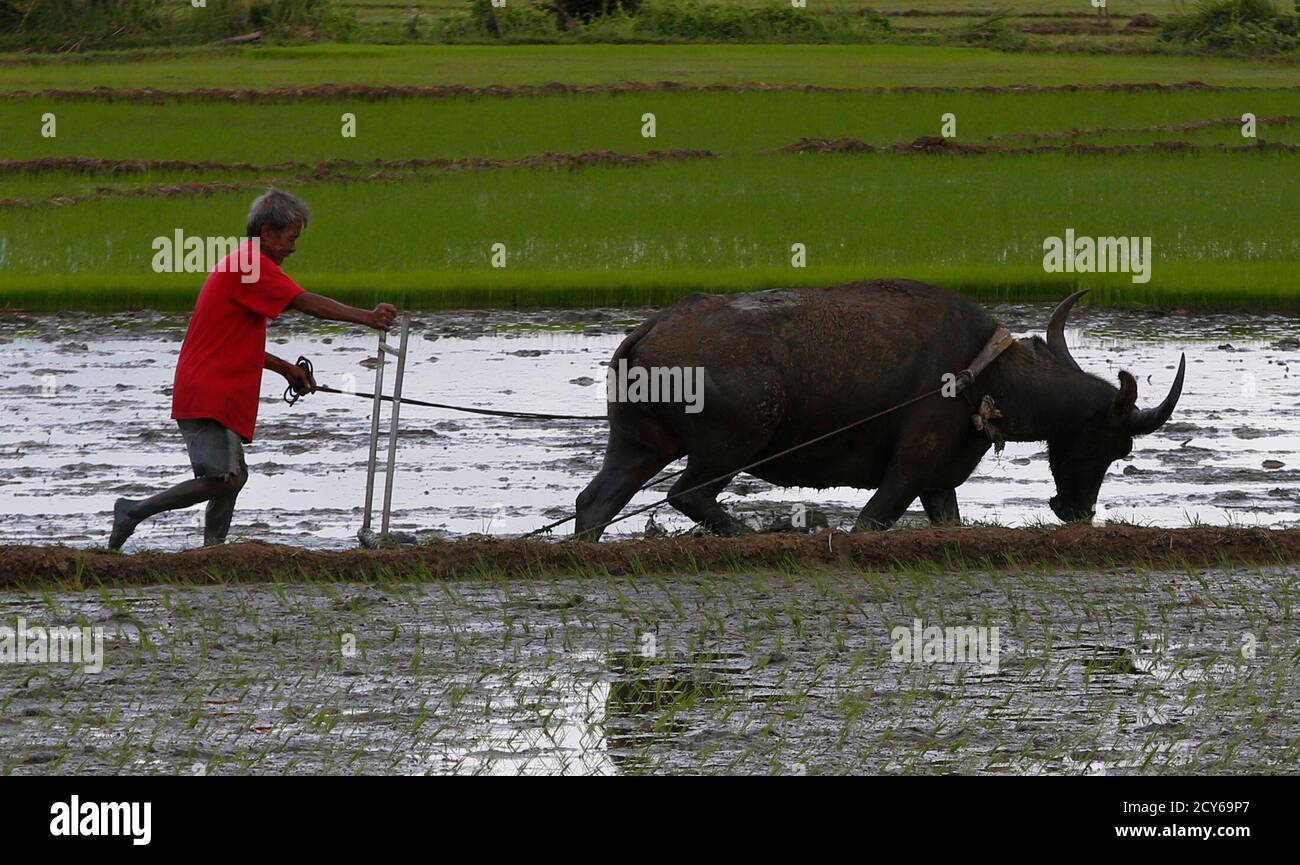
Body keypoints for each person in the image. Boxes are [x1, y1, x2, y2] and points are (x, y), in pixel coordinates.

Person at [108, 188, 397, 550]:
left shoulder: (244, 264)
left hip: (214, 385)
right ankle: (133, 511)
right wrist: (367, 317)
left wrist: (285, 369)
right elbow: (304, 301)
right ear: (267, 234)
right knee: (225, 478)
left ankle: (213, 551)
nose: (293, 248)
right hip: (209, 388)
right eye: (290, 239)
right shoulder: (250, 267)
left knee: (231, 476)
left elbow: (236, 339)